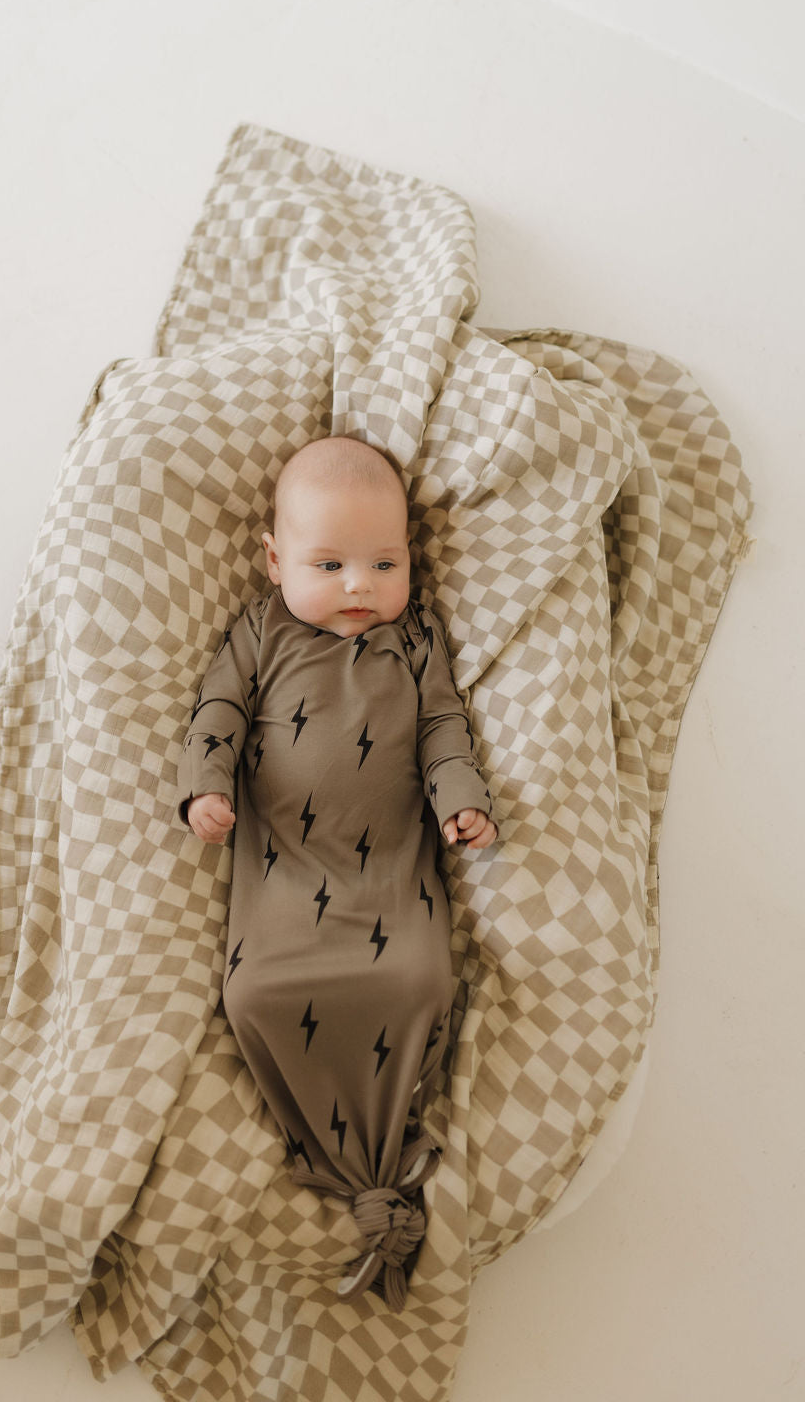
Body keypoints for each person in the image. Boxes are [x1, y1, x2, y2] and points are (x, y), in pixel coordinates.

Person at [176, 436, 497, 1310]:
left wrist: (459, 799)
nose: (360, 585)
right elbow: (218, 713)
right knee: (254, 997)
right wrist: (204, 786)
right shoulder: (260, 633)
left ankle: (383, 1158)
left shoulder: (415, 641)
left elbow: (443, 728)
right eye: (330, 563)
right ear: (274, 561)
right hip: (286, 868)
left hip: (391, 871)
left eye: (383, 562)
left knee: (423, 977)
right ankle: (332, 1154)